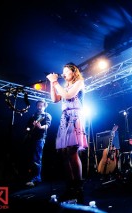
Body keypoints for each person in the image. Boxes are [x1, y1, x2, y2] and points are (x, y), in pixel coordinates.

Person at [47, 62, 88, 204]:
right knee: (64, 153)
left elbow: (69, 95)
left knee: (72, 151)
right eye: (62, 71)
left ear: (73, 72)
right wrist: (53, 85)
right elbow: (55, 99)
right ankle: (70, 187)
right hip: (65, 118)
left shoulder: (79, 83)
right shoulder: (64, 86)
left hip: (75, 117)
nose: (63, 73)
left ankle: (79, 188)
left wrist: (55, 82)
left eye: (66, 71)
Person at [24, 99, 52, 187]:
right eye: (38, 105)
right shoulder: (33, 116)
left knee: (36, 158)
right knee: (30, 158)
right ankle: (33, 177)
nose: (39, 107)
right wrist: (28, 130)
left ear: (44, 106)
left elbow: (47, 125)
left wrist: (41, 127)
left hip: (40, 139)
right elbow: (27, 127)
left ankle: (36, 179)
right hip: (31, 138)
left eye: (41, 105)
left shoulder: (46, 115)